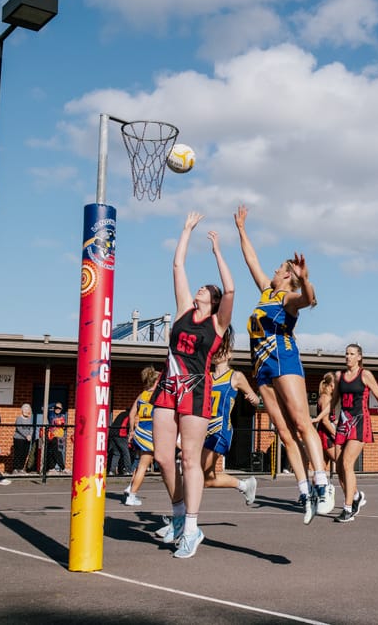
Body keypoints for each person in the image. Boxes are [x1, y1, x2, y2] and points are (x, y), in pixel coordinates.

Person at [235, 204, 332, 523]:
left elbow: (309, 300)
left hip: (285, 361)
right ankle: (304, 491)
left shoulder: (287, 298)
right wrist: (242, 231)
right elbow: (251, 261)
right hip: (261, 369)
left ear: (288, 275)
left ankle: (322, 482)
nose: (274, 269)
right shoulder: (266, 291)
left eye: (280, 267)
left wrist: (306, 280)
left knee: (302, 424)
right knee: (282, 431)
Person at [152, 211, 234, 559]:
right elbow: (177, 267)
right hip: (168, 387)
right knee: (162, 458)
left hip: (198, 391)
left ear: (213, 301)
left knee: (190, 460)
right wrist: (186, 230)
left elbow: (229, 287)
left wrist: (217, 250)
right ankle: (177, 516)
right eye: (201, 287)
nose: (202, 288)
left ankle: (191, 528)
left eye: (207, 289)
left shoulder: (216, 325)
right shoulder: (185, 309)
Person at [330, 344, 378, 523]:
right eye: (346, 354)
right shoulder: (339, 376)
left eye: (351, 354)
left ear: (359, 357)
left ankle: (348, 508)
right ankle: (356, 496)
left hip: (360, 423)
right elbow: (335, 398)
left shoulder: (365, 375)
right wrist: (330, 415)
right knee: (339, 467)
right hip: (344, 423)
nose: (348, 357)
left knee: (348, 463)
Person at [202, 346, 260, 504]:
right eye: (214, 350)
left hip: (220, 430)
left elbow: (255, 397)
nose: (216, 353)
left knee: (196, 471)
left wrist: (254, 400)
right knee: (207, 479)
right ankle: (244, 485)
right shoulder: (207, 376)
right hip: (203, 429)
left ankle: (180, 518)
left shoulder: (236, 376)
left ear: (229, 354)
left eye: (220, 350)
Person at [124, 366, 160, 507]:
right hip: (150, 432)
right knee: (144, 466)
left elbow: (132, 414)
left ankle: (130, 487)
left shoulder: (142, 395)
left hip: (140, 431)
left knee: (140, 465)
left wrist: (132, 430)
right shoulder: (157, 396)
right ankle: (131, 496)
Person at [313, 372, 339, 481]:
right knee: (342, 461)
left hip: (324, 434)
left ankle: (314, 492)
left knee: (321, 468)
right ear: (331, 384)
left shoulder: (326, 397)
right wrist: (336, 434)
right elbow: (325, 421)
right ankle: (353, 493)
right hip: (326, 435)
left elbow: (329, 418)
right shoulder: (325, 398)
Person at [108, 406, 132, 476]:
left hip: (112, 434)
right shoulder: (129, 416)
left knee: (116, 453)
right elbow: (127, 426)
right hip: (120, 435)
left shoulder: (121, 414)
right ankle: (128, 470)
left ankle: (111, 471)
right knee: (126, 453)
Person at [12, 404, 35, 473]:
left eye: (27, 409)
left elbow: (31, 428)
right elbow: (19, 429)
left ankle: (21, 468)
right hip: (19, 439)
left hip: (27, 439)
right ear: (22, 410)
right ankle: (15, 469)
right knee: (18, 453)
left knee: (25, 453)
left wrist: (30, 435)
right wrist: (26, 436)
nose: (26, 411)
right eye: (24, 409)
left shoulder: (29, 419)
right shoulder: (19, 418)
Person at [45, 403, 67, 472]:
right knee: (55, 452)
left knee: (59, 451)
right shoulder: (51, 414)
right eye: (56, 408)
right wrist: (55, 404)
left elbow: (64, 426)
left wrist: (64, 427)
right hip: (52, 436)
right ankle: (61, 467)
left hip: (60, 436)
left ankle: (53, 468)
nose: (58, 409)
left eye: (59, 408)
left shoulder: (63, 416)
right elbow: (46, 407)